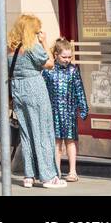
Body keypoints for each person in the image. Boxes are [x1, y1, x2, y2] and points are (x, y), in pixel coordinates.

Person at [8, 15, 66, 188]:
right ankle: (48, 176)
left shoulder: (9, 49)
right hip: (34, 88)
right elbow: (50, 63)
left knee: (26, 134)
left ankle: (29, 175)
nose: (39, 32)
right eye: (37, 30)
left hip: (17, 89)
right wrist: (44, 42)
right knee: (43, 131)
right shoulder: (32, 46)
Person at [44, 38, 89, 182]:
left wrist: (83, 107)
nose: (67, 60)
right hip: (54, 111)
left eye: (70, 57)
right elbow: (43, 91)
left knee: (70, 141)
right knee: (56, 142)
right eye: (64, 57)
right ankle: (56, 172)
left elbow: (79, 90)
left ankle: (72, 171)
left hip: (69, 111)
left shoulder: (73, 71)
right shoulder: (48, 71)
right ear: (56, 55)